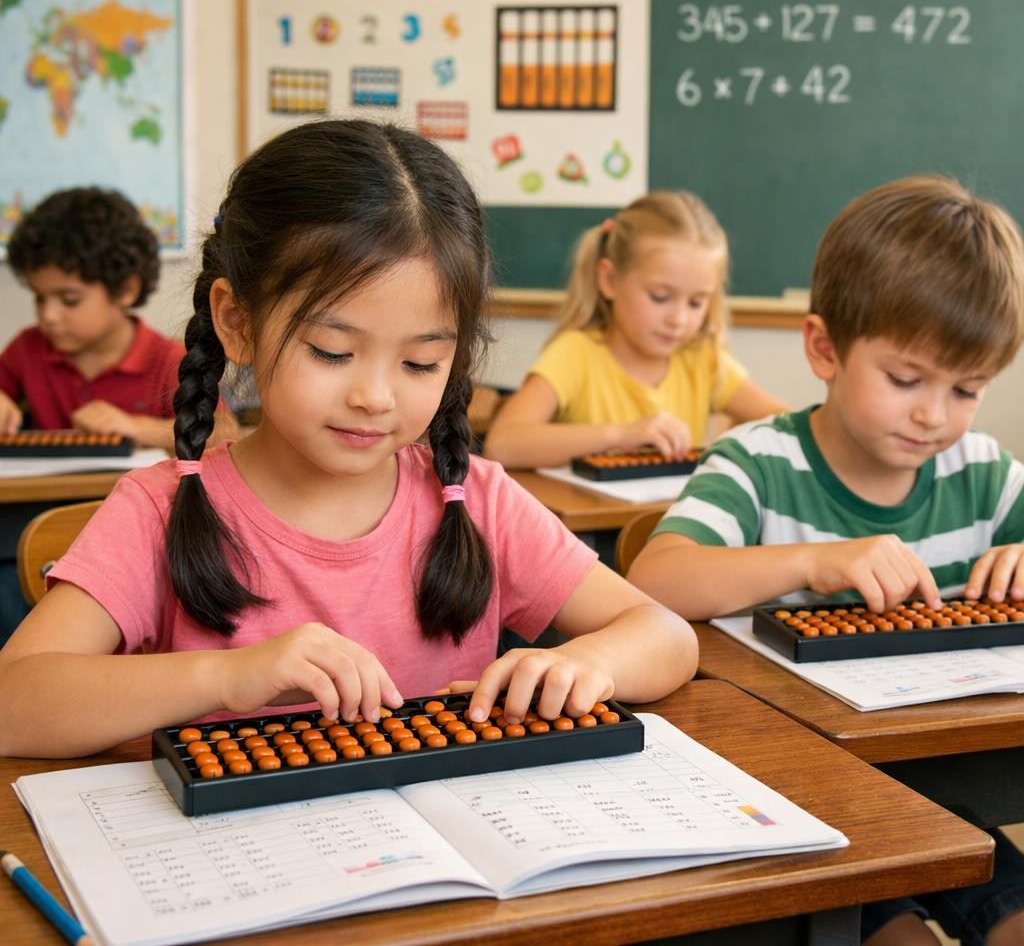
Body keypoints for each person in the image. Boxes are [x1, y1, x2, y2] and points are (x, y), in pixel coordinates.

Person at [0, 119, 698, 760]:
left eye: (421, 362)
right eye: (332, 352)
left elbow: (666, 634)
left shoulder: (475, 500)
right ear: (237, 323)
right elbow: (12, 704)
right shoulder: (158, 511)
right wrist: (228, 676)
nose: (375, 396)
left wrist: (584, 662)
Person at [628, 174, 1024, 946]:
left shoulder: (984, 474)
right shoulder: (758, 463)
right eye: (905, 379)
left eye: (967, 389)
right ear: (824, 348)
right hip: (806, 808)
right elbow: (655, 577)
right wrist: (812, 560)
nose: (932, 414)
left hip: (954, 791)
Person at [483, 190, 786, 470]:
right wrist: (622, 435)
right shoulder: (575, 354)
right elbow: (503, 445)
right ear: (610, 280)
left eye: (696, 303)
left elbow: (787, 425)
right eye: (660, 297)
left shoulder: (704, 360)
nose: (678, 319)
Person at [1, 186, 238, 452]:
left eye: (69, 300)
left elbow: (225, 432)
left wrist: (136, 428)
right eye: (39, 297)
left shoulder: (167, 361)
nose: (48, 315)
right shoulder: (26, 349)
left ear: (125, 290)